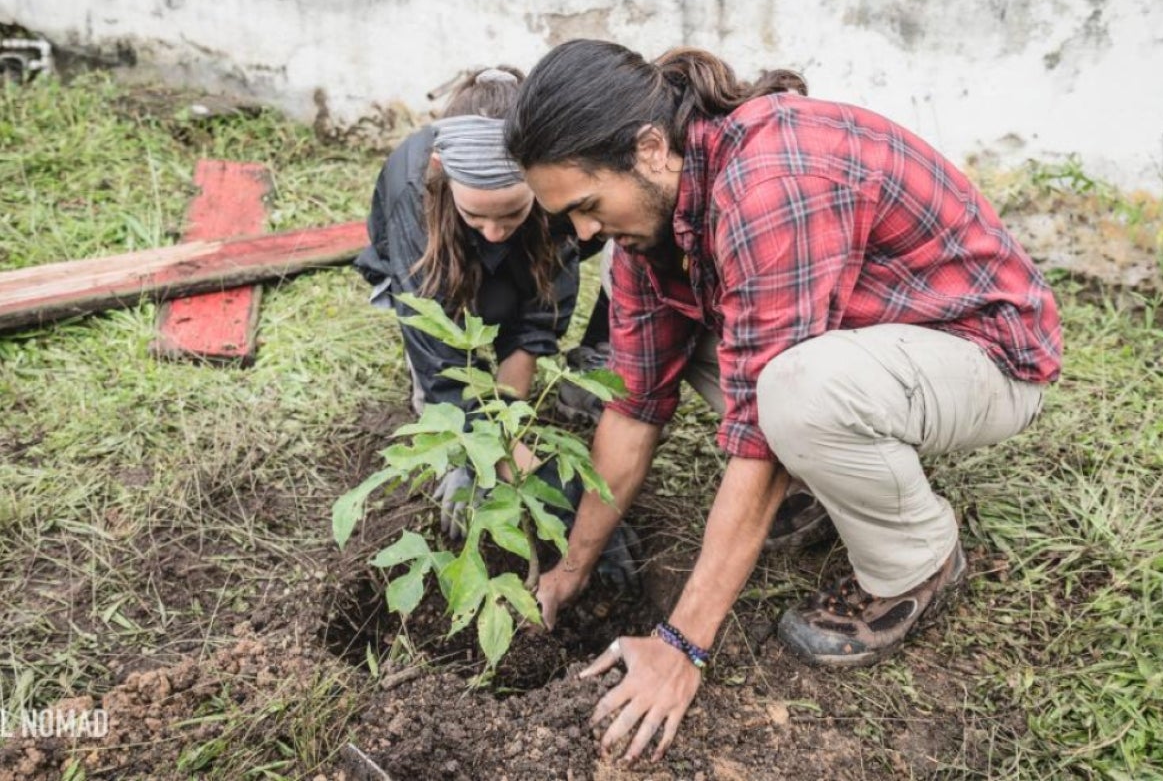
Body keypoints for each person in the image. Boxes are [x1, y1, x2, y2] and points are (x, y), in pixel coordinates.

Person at [504, 40, 1062, 763]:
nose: (581, 233)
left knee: (795, 392)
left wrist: (679, 645)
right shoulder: (647, 230)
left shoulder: (767, 181)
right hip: (871, 344)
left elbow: (760, 432)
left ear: (648, 148)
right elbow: (634, 405)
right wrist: (572, 571)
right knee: (762, 372)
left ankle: (916, 559)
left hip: (987, 356)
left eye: (585, 205)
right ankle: (832, 475)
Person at [353, 67, 632, 581]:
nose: (495, 232)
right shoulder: (413, 190)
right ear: (442, 173)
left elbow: (537, 320)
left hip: (514, 278)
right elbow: (437, 353)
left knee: (510, 345)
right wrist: (474, 453)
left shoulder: (553, 186)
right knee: (446, 403)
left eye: (510, 214)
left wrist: (515, 444)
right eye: (478, 217)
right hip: (432, 272)